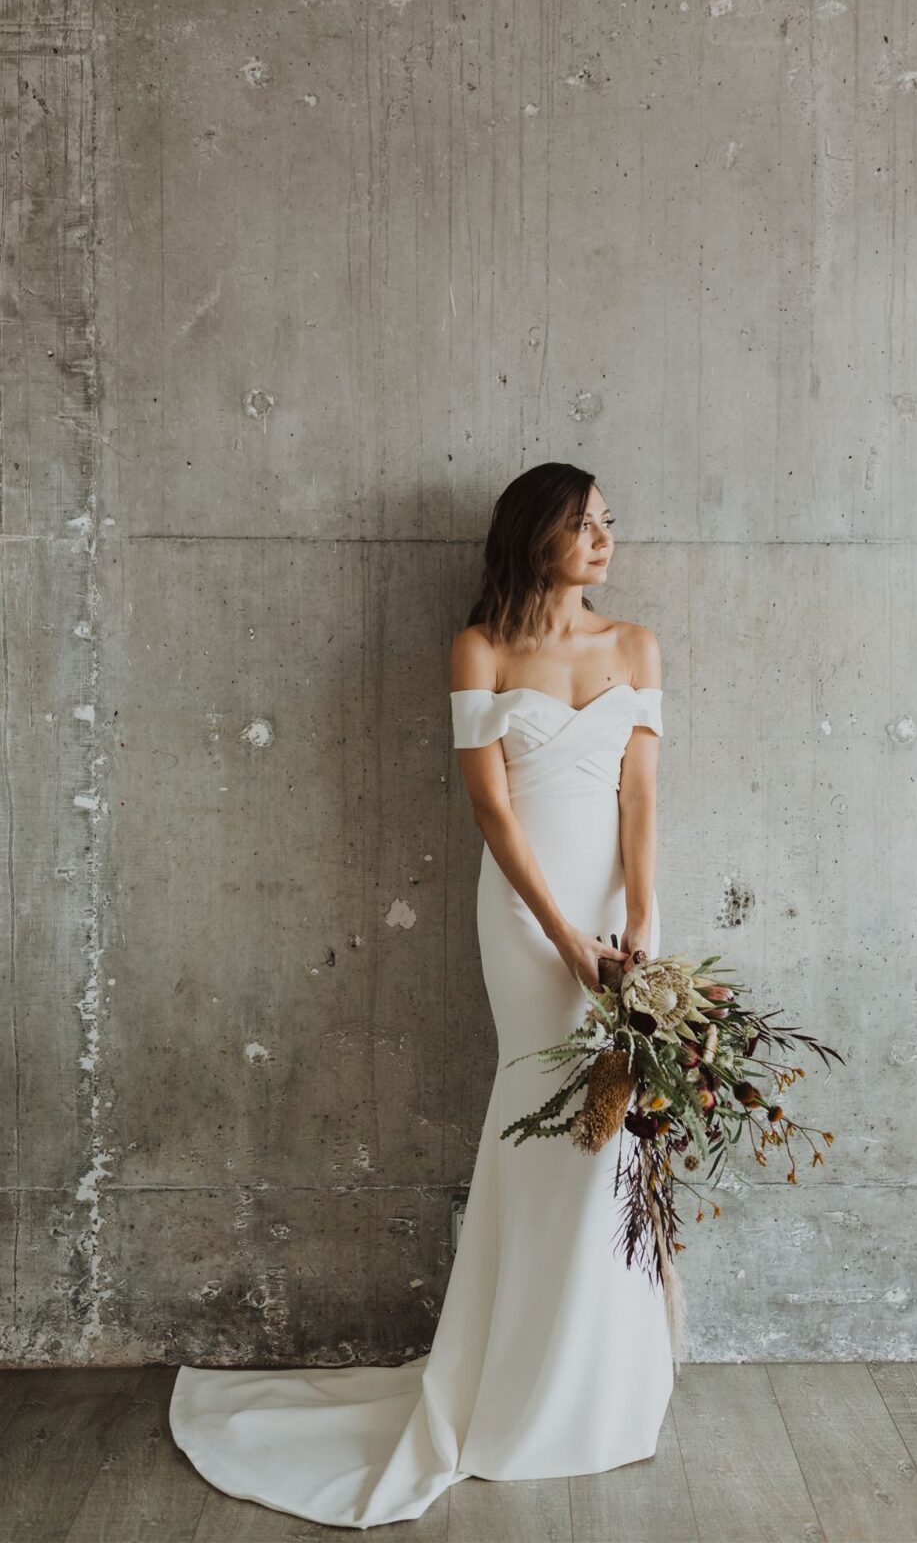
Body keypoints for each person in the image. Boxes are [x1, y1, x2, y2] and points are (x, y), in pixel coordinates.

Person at [168, 463, 674, 1529]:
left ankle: (604, 1383)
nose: (602, 540)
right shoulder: (479, 649)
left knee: (619, 1134)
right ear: (533, 535)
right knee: (541, 1124)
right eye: (582, 525)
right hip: (530, 917)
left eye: (608, 524)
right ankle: (513, 1382)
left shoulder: (635, 644)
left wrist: (638, 923)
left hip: (622, 918)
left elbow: (639, 796)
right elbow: (493, 815)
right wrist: (564, 938)